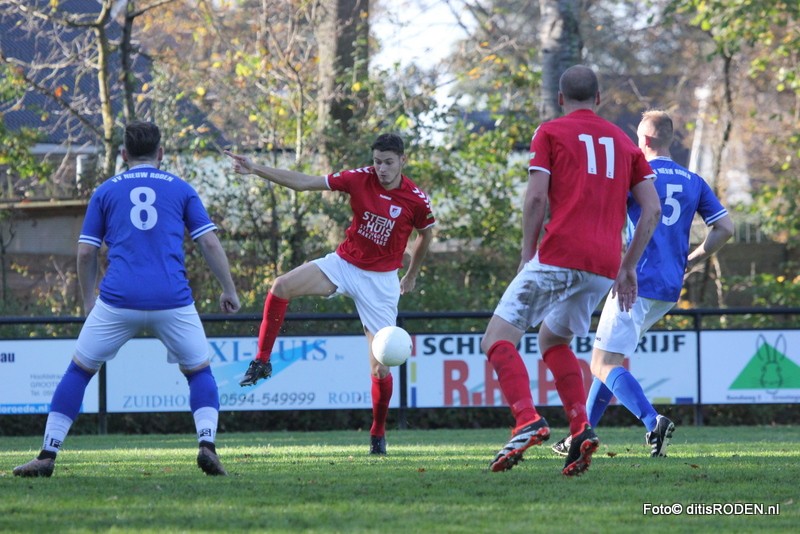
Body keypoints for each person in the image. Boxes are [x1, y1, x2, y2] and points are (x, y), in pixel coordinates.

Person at [13, 121, 241, 478]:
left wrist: (89, 301)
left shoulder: (105, 191)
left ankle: (47, 455)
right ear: (160, 154)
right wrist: (229, 289)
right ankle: (207, 445)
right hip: (172, 300)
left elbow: (86, 254)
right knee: (199, 373)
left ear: (123, 154)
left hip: (118, 300)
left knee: (79, 371)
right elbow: (209, 242)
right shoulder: (180, 188)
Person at [480, 65, 662, 476]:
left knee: (496, 339)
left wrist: (528, 254)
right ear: (599, 98)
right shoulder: (622, 141)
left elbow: (535, 200)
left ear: (561, 99)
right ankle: (580, 428)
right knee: (552, 341)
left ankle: (526, 418)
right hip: (602, 266)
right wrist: (628, 266)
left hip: (560, 254)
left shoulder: (550, 131)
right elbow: (651, 209)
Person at [224, 133, 435, 455]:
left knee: (380, 367)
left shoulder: (416, 200)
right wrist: (255, 168)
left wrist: (412, 275)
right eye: (377, 161)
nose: (381, 168)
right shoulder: (358, 178)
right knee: (281, 286)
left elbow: (426, 235)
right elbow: (304, 183)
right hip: (344, 265)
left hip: (380, 283)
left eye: (389, 162)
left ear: (403, 161)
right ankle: (262, 361)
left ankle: (377, 432)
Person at [551, 109, 734, 458]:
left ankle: (653, 422)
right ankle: (581, 435)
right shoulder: (693, 180)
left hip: (635, 279)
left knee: (601, 363)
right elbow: (725, 228)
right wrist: (692, 259)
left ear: (644, 140)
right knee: (610, 360)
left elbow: (602, 216)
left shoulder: (637, 174)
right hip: (667, 288)